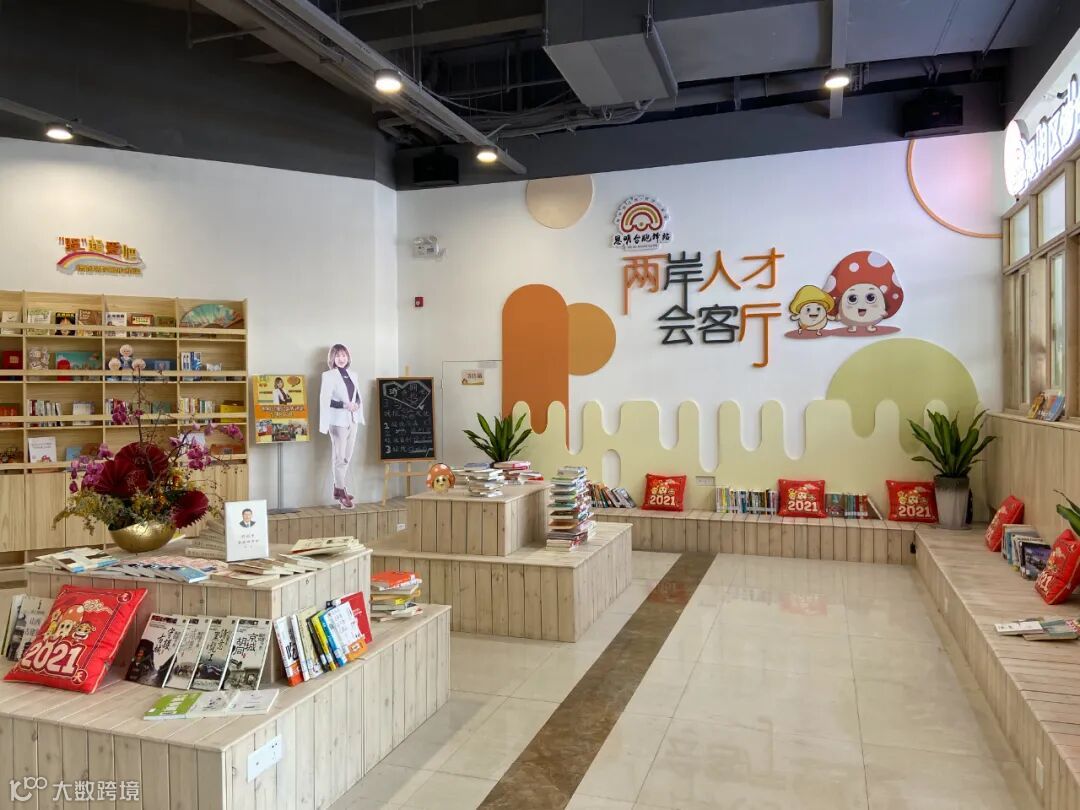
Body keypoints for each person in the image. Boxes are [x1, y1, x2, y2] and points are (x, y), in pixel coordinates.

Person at [319, 343, 363, 509]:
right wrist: (345, 405)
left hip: (352, 419)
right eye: (338, 356)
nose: (341, 358)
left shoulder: (353, 375)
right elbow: (326, 400)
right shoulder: (328, 376)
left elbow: (357, 395)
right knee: (340, 457)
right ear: (332, 358)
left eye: (344, 355)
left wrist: (356, 404)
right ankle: (342, 491)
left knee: (347, 456)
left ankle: (338, 488)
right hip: (337, 422)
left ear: (348, 357)